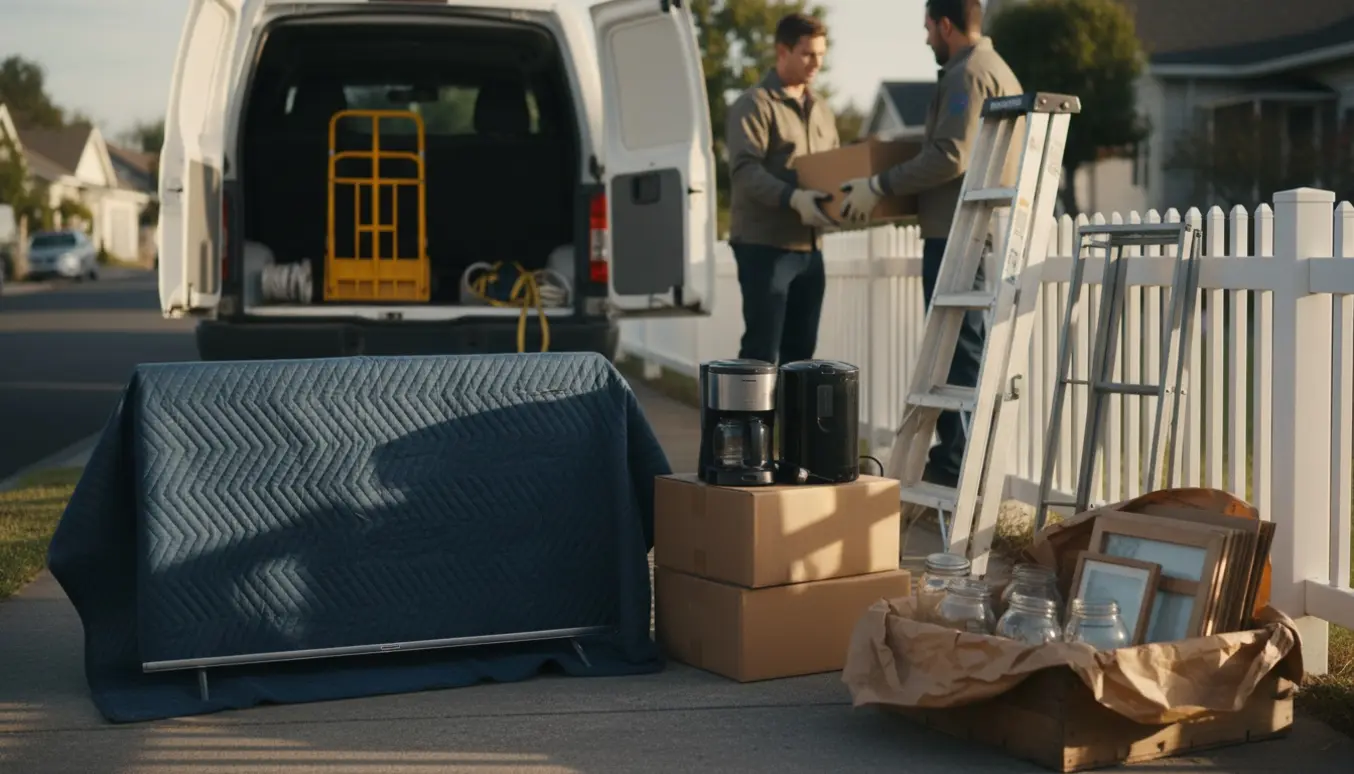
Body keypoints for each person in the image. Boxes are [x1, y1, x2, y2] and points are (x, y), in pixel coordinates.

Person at [838, 0, 1022, 489]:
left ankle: (958, 460)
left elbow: (950, 154)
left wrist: (880, 185)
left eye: (926, 29)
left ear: (945, 25)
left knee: (956, 350)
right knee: (965, 345)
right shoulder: (997, 69)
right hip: (975, 226)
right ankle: (961, 454)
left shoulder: (967, 75)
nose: (925, 40)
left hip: (960, 231)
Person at [724, 13, 840, 366]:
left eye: (821, 54)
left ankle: (793, 424)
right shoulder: (754, 105)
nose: (816, 63)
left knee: (801, 356)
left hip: (811, 248)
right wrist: (793, 198)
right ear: (782, 51)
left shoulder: (822, 110)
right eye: (807, 54)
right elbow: (745, 171)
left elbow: (832, 167)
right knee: (761, 352)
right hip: (764, 247)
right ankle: (750, 424)